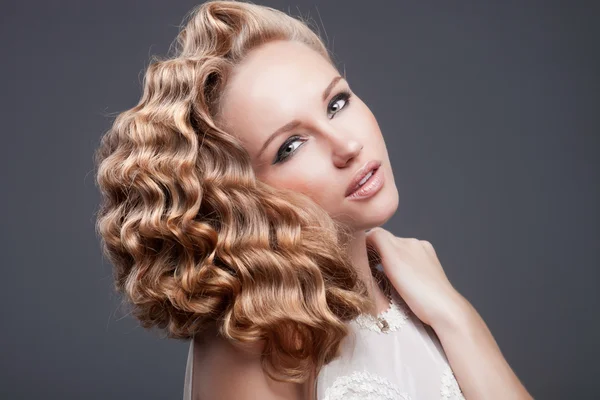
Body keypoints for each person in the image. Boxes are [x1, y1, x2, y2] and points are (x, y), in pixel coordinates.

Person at [94, 1, 534, 399]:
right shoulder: (256, 340)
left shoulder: (417, 289)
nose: (346, 146)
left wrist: (456, 316)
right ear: (243, 196)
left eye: (337, 103)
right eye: (290, 146)